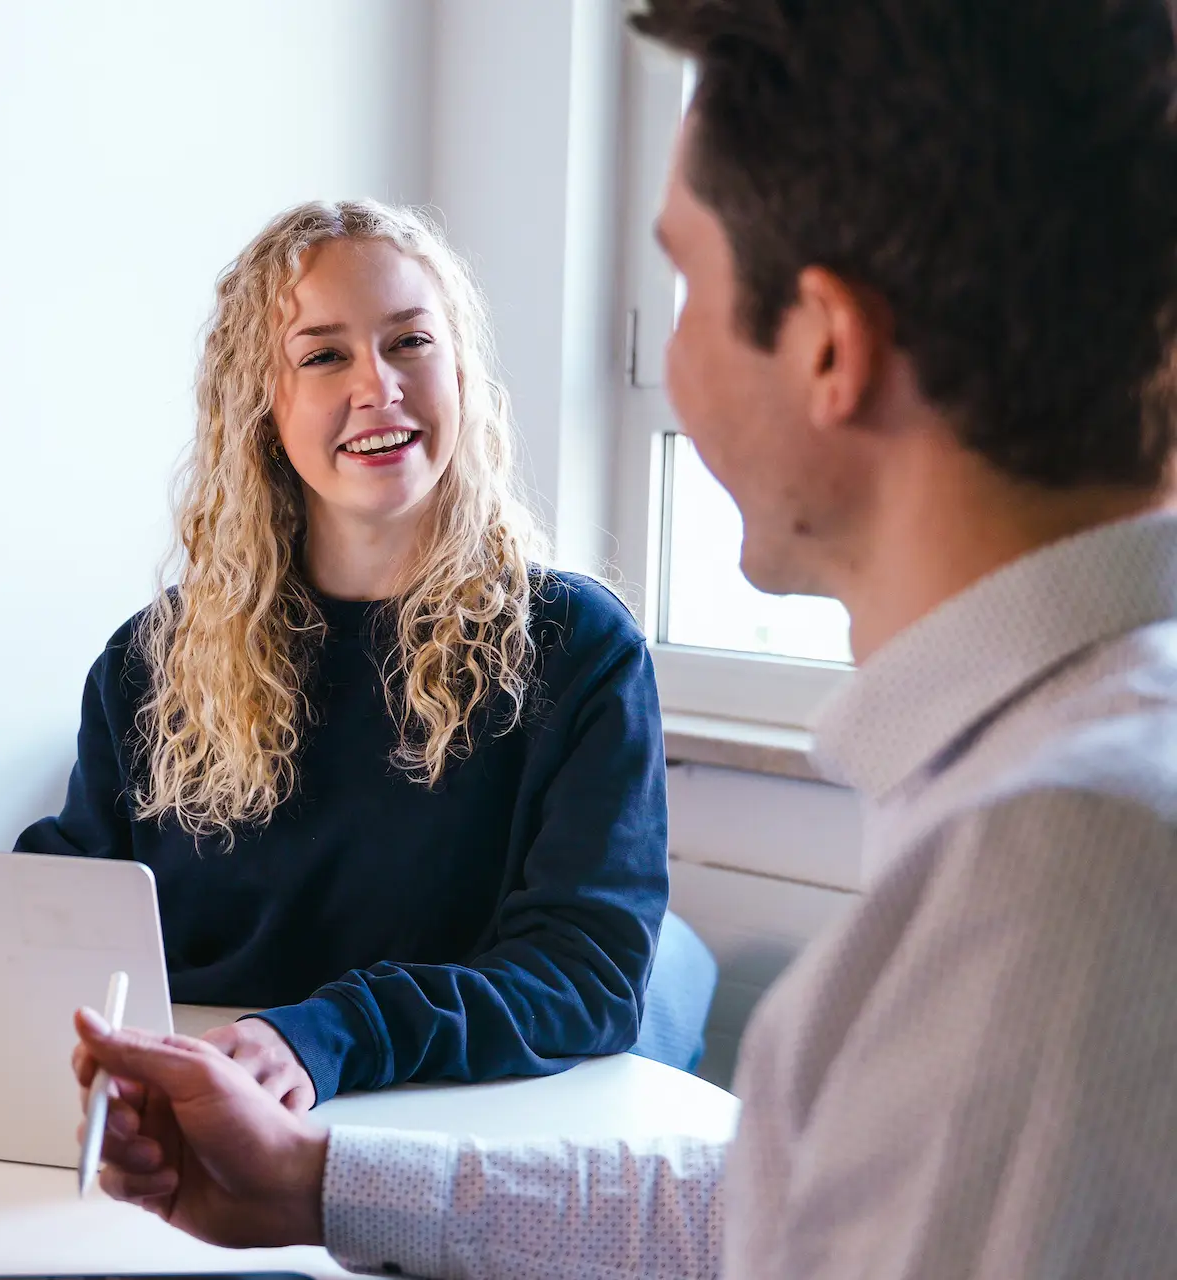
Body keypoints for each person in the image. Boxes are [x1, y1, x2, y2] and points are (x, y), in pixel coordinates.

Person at [69, 0, 1177, 1274]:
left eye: (687, 280)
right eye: (324, 358)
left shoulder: (1064, 866)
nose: (668, 351)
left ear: (827, 346)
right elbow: (742, 1215)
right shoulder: (1045, 802)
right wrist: (319, 1185)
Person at [18, 198, 712, 1110]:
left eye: (410, 342)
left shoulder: (577, 649)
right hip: (191, 1117)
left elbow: (585, 976)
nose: (377, 386)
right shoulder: (148, 662)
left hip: (446, 1126)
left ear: (460, 368)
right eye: (323, 354)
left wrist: (323, 1035)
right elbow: (74, 910)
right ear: (263, 407)